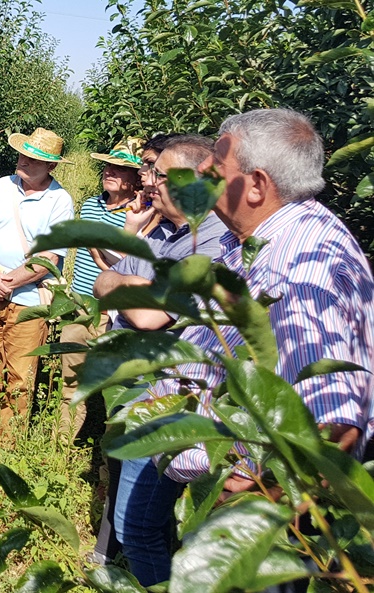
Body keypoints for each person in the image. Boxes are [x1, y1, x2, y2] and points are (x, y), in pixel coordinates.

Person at [162, 110, 374, 527]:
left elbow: (335, 423)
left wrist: (266, 504)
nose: (202, 168)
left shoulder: (298, 273)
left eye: (216, 163)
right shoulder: (260, 240)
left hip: (280, 531)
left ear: (256, 185)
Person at [90, 135, 227, 585]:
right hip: (155, 387)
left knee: (144, 524)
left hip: (181, 398)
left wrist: (113, 281)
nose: (149, 184)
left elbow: (146, 312)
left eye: (158, 175)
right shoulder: (167, 231)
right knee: (145, 519)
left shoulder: (210, 241)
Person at [0, 127, 74, 442]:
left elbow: (49, 259)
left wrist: (7, 282)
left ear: (51, 166)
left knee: (19, 374)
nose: (25, 162)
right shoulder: (2, 186)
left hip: (28, 301)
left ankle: (6, 441)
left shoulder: (60, 201)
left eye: (35, 159)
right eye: (24, 155)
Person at [57, 137, 144, 442]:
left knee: (115, 392)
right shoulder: (91, 205)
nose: (109, 172)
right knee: (70, 384)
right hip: (81, 308)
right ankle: (61, 449)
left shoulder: (141, 215)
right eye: (108, 166)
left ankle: (107, 465)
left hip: (117, 315)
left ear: (137, 179)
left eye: (120, 169)